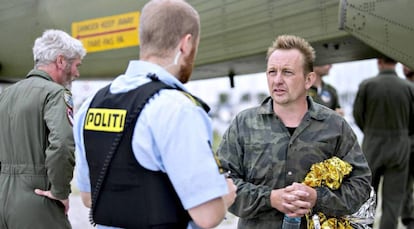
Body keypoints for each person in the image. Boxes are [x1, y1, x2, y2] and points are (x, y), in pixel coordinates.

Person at [73, 0, 236, 229]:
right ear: (186, 44)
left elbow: (89, 197)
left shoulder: (91, 104)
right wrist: (226, 195)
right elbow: (207, 216)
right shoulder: (178, 108)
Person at [216, 34, 372, 229]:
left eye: (287, 72)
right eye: (272, 72)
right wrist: (270, 198)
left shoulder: (335, 126)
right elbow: (220, 182)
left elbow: (361, 184)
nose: (278, 80)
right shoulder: (243, 124)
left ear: (308, 80)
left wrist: (318, 197)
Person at [0, 29, 86, 228]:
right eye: (76, 65)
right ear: (61, 61)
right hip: (38, 200)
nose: (77, 73)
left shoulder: (5, 96)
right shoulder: (56, 94)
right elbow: (63, 144)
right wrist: (60, 191)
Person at [353, 57, 414, 229]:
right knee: (393, 199)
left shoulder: (367, 85)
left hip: (372, 144)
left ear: (379, 62)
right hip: (400, 147)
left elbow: (358, 114)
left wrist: (370, 131)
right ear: (396, 62)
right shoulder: (409, 88)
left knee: (368, 197)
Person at [401, 64, 414, 229]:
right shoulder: (402, 86)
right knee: (405, 185)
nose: (404, 67)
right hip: (405, 145)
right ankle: (409, 217)